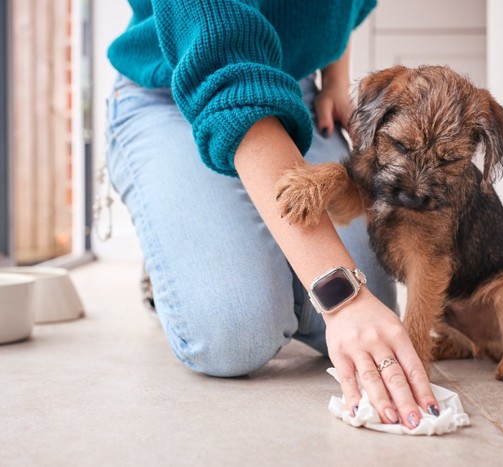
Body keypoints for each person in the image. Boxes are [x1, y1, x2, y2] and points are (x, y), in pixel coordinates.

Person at [106, 0, 438, 429]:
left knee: (366, 306)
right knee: (237, 333)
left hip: (291, 86)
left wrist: (335, 79)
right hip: (175, 87)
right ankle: (170, 246)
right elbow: (224, 61)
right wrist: (341, 299)